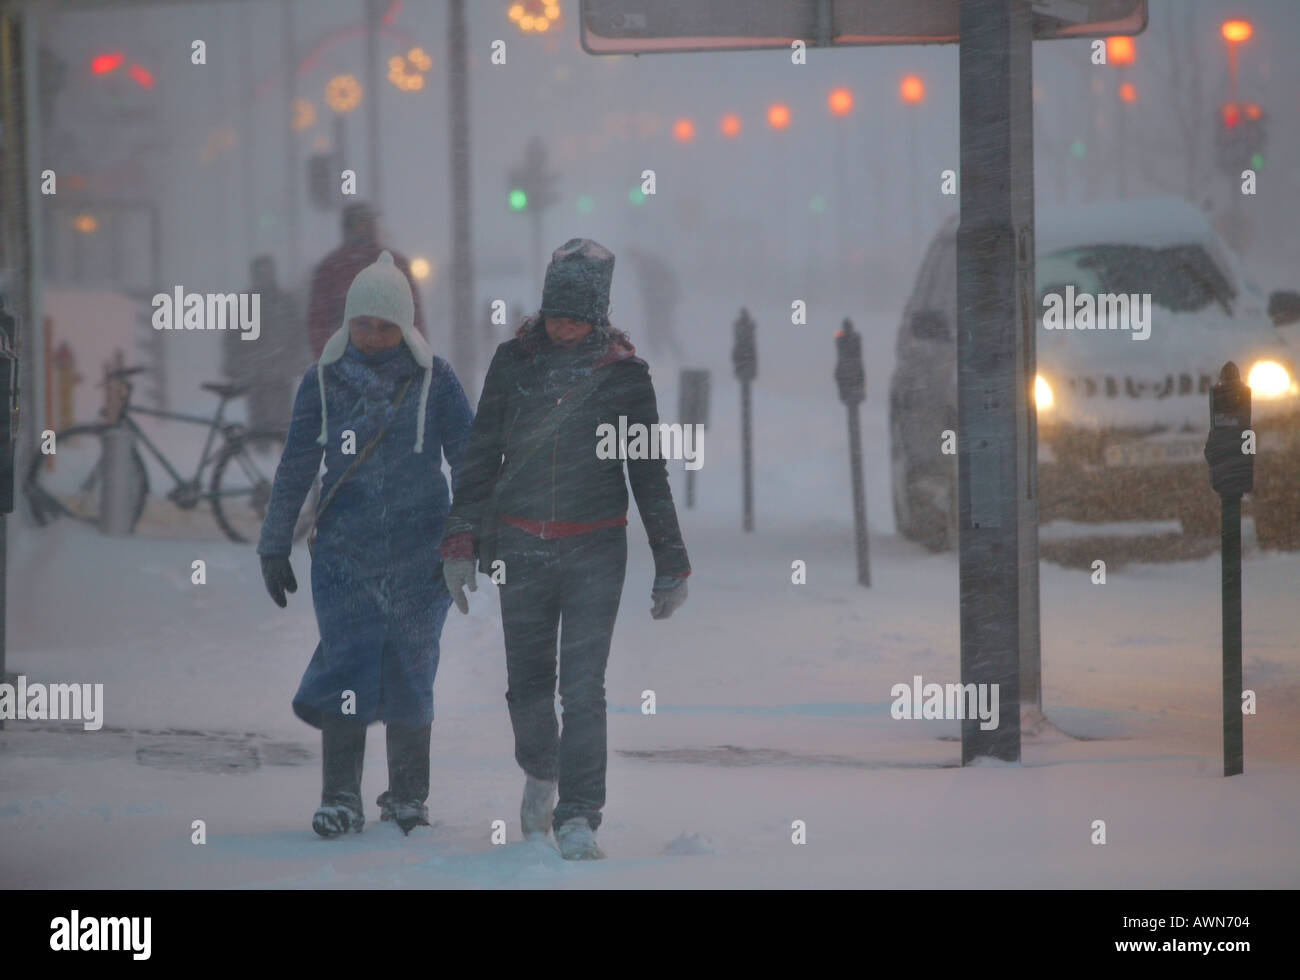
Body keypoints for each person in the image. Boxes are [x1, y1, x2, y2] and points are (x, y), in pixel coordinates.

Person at [440, 238, 690, 860]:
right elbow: (480, 455)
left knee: (584, 689)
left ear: (598, 315)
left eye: (577, 317)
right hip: (520, 547)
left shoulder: (624, 379)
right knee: (526, 687)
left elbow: (648, 473)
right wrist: (460, 536)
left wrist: (672, 562)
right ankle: (541, 770)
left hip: (595, 551)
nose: (564, 326)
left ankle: (580, 814)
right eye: (556, 314)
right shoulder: (513, 363)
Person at [258, 251, 474, 838]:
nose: (373, 335)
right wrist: (274, 543)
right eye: (362, 323)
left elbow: (472, 466)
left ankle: (407, 797)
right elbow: (297, 465)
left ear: (405, 326)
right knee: (347, 666)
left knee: (411, 668)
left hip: (420, 557)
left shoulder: (436, 381)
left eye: (385, 325)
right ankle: (340, 798)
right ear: (346, 323)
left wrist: (464, 541)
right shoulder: (323, 382)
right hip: (343, 556)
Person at [306, 202, 424, 360]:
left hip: (392, 361)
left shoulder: (395, 263)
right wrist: (328, 359)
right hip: (349, 361)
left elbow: (413, 315)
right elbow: (319, 321)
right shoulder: (331, 268)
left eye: (370, 221)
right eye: (362, 221)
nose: (369, 226)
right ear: (349, 227)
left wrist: (418, 354)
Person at [223, 254, 307, 433]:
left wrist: (297, 358)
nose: (264, 276)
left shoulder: (284, 301)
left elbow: (297, 333)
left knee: (281, 414)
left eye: (266, 271)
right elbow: (233, 337)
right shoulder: (253, 302)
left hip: (276, 368)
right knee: (259, 415)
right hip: (259, 370)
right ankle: (263, 445)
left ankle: (276, 443)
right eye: (261, 272)